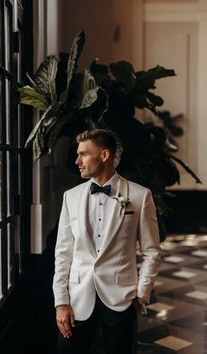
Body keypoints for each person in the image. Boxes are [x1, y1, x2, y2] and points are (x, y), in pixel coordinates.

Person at [53, 129, 162, 354]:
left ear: (104, 155)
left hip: (121, 298)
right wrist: (61, 301)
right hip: (78, 298)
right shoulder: (70, 197)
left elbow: (152, 251)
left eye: (83, 154)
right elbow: (63, 254)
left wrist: (142, 293)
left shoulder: (140, 196)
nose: (77, 161)